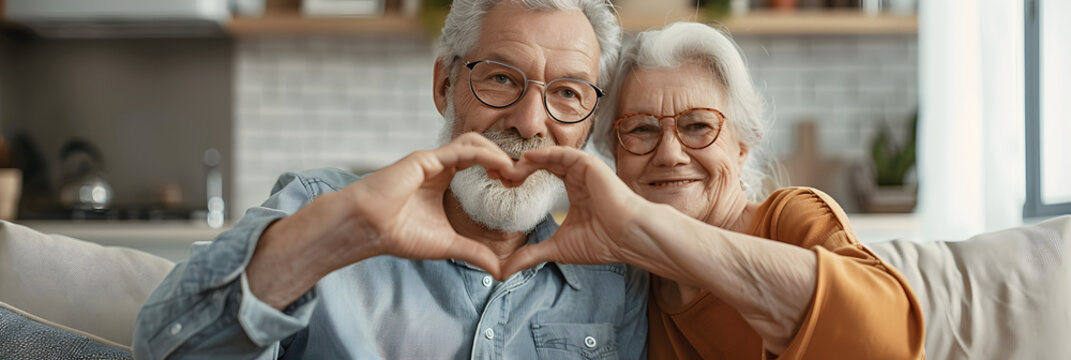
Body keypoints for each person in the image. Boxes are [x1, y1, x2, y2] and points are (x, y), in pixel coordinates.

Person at [132, 1, 649, 358]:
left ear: (587, 126)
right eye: (500, 77)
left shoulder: (612, 280)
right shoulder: (322, 209)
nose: (530, 122)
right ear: (446, 86)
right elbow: (166, 347)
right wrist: (326, 239)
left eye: (567, 94)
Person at [501, 22, 925, 359]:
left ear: (742, 145)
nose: (669, 153)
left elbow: (894, 340)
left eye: (698, 126)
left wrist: (653, 229)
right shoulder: (630, 281)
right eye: (642, 130)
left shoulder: (791, 219)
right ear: (615, 155)